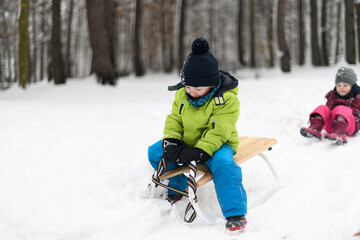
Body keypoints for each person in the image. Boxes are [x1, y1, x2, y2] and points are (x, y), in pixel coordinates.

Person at [147, 38, 247, 231]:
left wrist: (201, 150)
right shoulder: (183, 95)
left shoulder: (227, 100)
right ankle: (178, 186)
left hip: (218, 144)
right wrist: (172, 140)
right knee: (155, 152)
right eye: (188, 87)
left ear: (212, 84)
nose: (191, 92)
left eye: (197, 89)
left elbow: (219, 131)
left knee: (224, 165)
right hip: (187, 141)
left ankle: (235, 212)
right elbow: (174, 119)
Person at [300, 67, 360, 144]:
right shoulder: (333, 95)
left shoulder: (357, 97)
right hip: (333, 126)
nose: (341, 88)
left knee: (341, 109)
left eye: (345, 85)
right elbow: (327, 112)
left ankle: (340, 134)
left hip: (350, 126)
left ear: (352, 86)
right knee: (322, 108)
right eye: (339, 85)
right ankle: (315, 129)